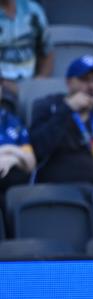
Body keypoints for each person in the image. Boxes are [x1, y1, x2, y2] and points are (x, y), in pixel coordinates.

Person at [30, 55, 93, 184]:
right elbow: (38, 148)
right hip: (56, 187)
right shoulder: (48, 106)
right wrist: (67, 108)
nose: (91, 86)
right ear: (69, 82)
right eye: (84, 79)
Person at [0, 0, 53, 97]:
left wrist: (39, 82)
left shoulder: (33, 10)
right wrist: (3, 83)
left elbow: (47, 52)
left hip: (31, 86)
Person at [0, 77, 35, 205]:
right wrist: (11, 151)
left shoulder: (13, 121)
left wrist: (13, 158)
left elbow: (30, 163)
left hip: (13, 188)